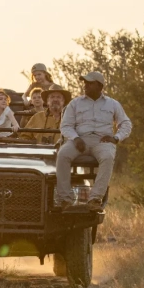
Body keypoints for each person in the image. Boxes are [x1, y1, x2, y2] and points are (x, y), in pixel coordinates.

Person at [56, 71, 132, 211]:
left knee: (108, 157)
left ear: (99, 86)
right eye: (85, 82)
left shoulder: (113, 104)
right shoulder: (75, 103)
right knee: (62, 154)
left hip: (102, 141)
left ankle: (95, 199)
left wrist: (116, 138)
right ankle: (65, 199)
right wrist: (76, 138)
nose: (85, 85)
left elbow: (126, 124)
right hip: (79, 140)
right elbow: (66, 126)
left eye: (89, 83)